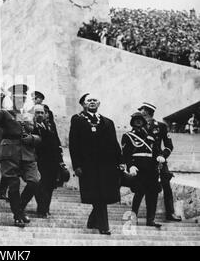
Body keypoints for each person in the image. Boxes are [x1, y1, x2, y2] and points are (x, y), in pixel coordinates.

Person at [69, 93, 122, 235]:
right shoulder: (78, 120)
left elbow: (114, 144)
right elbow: (73, 144)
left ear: (99, 104)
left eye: (94, 100)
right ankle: (104, 226)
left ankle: (93, 221)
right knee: (97, 195)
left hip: (106, 166)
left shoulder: (108, 122)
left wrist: (120, 162)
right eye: (89, 100)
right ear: (84, 104)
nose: (92, 102)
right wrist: (77, 165)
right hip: (88, 166)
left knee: (102, 194)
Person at [0, 84, 41, 227]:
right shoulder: (4, 112)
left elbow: (40, 135)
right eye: (17, 96)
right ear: (11, 97)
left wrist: (33, 139)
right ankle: (18, 215)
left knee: (34, 182)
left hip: (27, 152)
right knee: (14, 184)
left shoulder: (29, 114)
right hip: (10, 151)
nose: (20, 99)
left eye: (23, 96)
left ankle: (19, 209)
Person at [138, 102, 182, 222]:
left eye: (141, 109)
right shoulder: (138, 125)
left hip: (159, 160)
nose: (140, 111)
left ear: (147, 111)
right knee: (141, 186)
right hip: (144, 161)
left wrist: (163, 156)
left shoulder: (161, 126)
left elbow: (169, 145)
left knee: (166, 185)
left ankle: (170, 213)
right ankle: (138, 214)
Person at [122, 112, 162, 228]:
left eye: (140, 120)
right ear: (132, 122)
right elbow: (126, 154)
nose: (138, 122)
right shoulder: (128, 136)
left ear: (144, 122)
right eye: (136, 120)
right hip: (138, 169)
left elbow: (156, 151)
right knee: (139, 193)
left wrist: (159, 157)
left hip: (152, 170)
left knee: (153, 194)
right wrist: (130, 166)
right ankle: (133, 218)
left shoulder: (150, 136)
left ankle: (151, 220)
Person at [33, 104, 65, 218]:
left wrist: (60, 160)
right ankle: (42, 208)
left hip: (52, 160)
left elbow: (56, 142)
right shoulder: (32, 126)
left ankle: (46, 207)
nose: (42, 115)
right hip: (39, 159)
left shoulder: (50, 125)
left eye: (44, 112)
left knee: (50, 185)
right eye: (39, 113)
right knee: (41, 184)